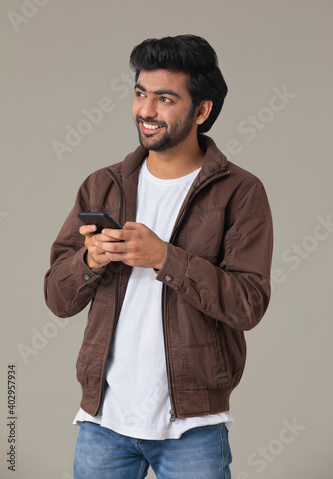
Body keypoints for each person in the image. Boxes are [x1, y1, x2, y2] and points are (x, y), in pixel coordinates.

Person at [44, 34, 273, 479]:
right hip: (103, 423)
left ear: (201, 110)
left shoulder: (241, 192)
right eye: (139, 94)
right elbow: (56, 298)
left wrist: (165, 257)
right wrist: (89, 262)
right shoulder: (102, 184)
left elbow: (248, 304)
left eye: (164, 98)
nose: (146, 111)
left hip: (193, 428)